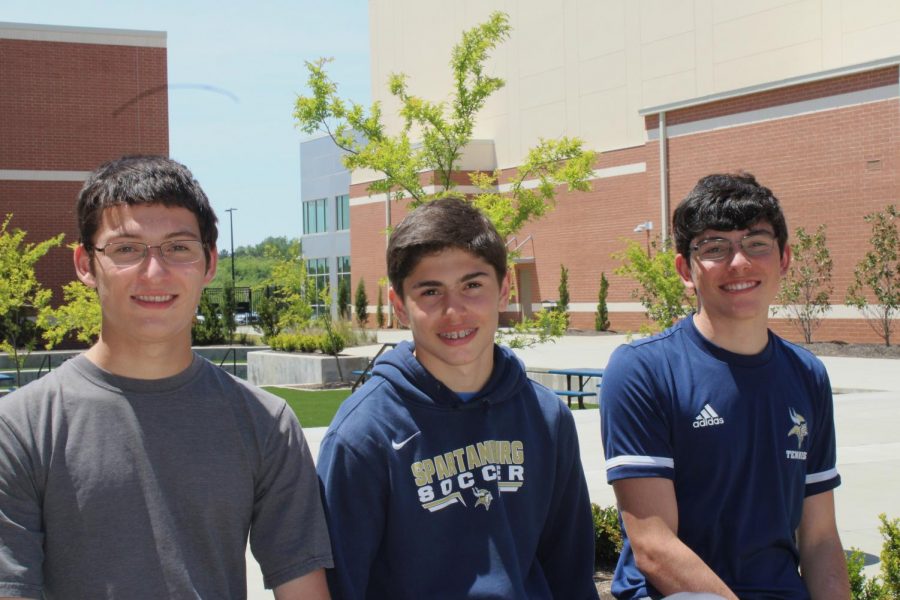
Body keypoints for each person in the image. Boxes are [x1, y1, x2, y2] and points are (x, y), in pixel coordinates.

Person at [0, 156, 332, 599]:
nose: (154, 272)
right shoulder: (20, 429)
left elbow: (302, 589)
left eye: (178, 247)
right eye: (126, 249)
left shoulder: (265, 422)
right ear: (85, 265)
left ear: (209, 262)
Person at [316, 196, 598, 599]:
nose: (455, 310)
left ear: (504, 290)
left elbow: (570, 572)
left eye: (472, 285)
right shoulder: (364, 436)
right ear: (399, 307)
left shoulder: (547, 416)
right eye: (431, 292)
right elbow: (340, 586)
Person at [601, 173, 849, 599]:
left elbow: (821, 538)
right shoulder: (643, 370)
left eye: (756, 243)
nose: (738, 263)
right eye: (715, 247)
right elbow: (655, 548)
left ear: (784, 258)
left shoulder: (807, 375)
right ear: (685, 269)